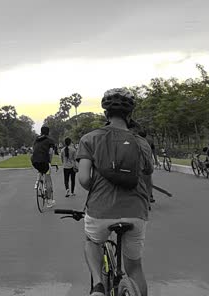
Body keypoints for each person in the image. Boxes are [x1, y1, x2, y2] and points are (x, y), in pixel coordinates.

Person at [77, 88, 153, 296]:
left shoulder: (89, 138)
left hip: (100, 209)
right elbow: (147, 175)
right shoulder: (141, 142)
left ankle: (98, 286)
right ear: (130, 115)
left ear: (105, 114)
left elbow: (84, 179)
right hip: (136, 210)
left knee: (93, 242)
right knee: (135, 267)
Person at [31, 126, 58, 208]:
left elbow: (34, 149)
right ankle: (49, 201)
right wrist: (50, 161)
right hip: (44, 161)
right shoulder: (50, 140)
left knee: (40, 168)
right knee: (48, 179)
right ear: (48, 132)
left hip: (34, 160)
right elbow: (50, 152)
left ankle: (37, 182)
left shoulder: (36, 139)